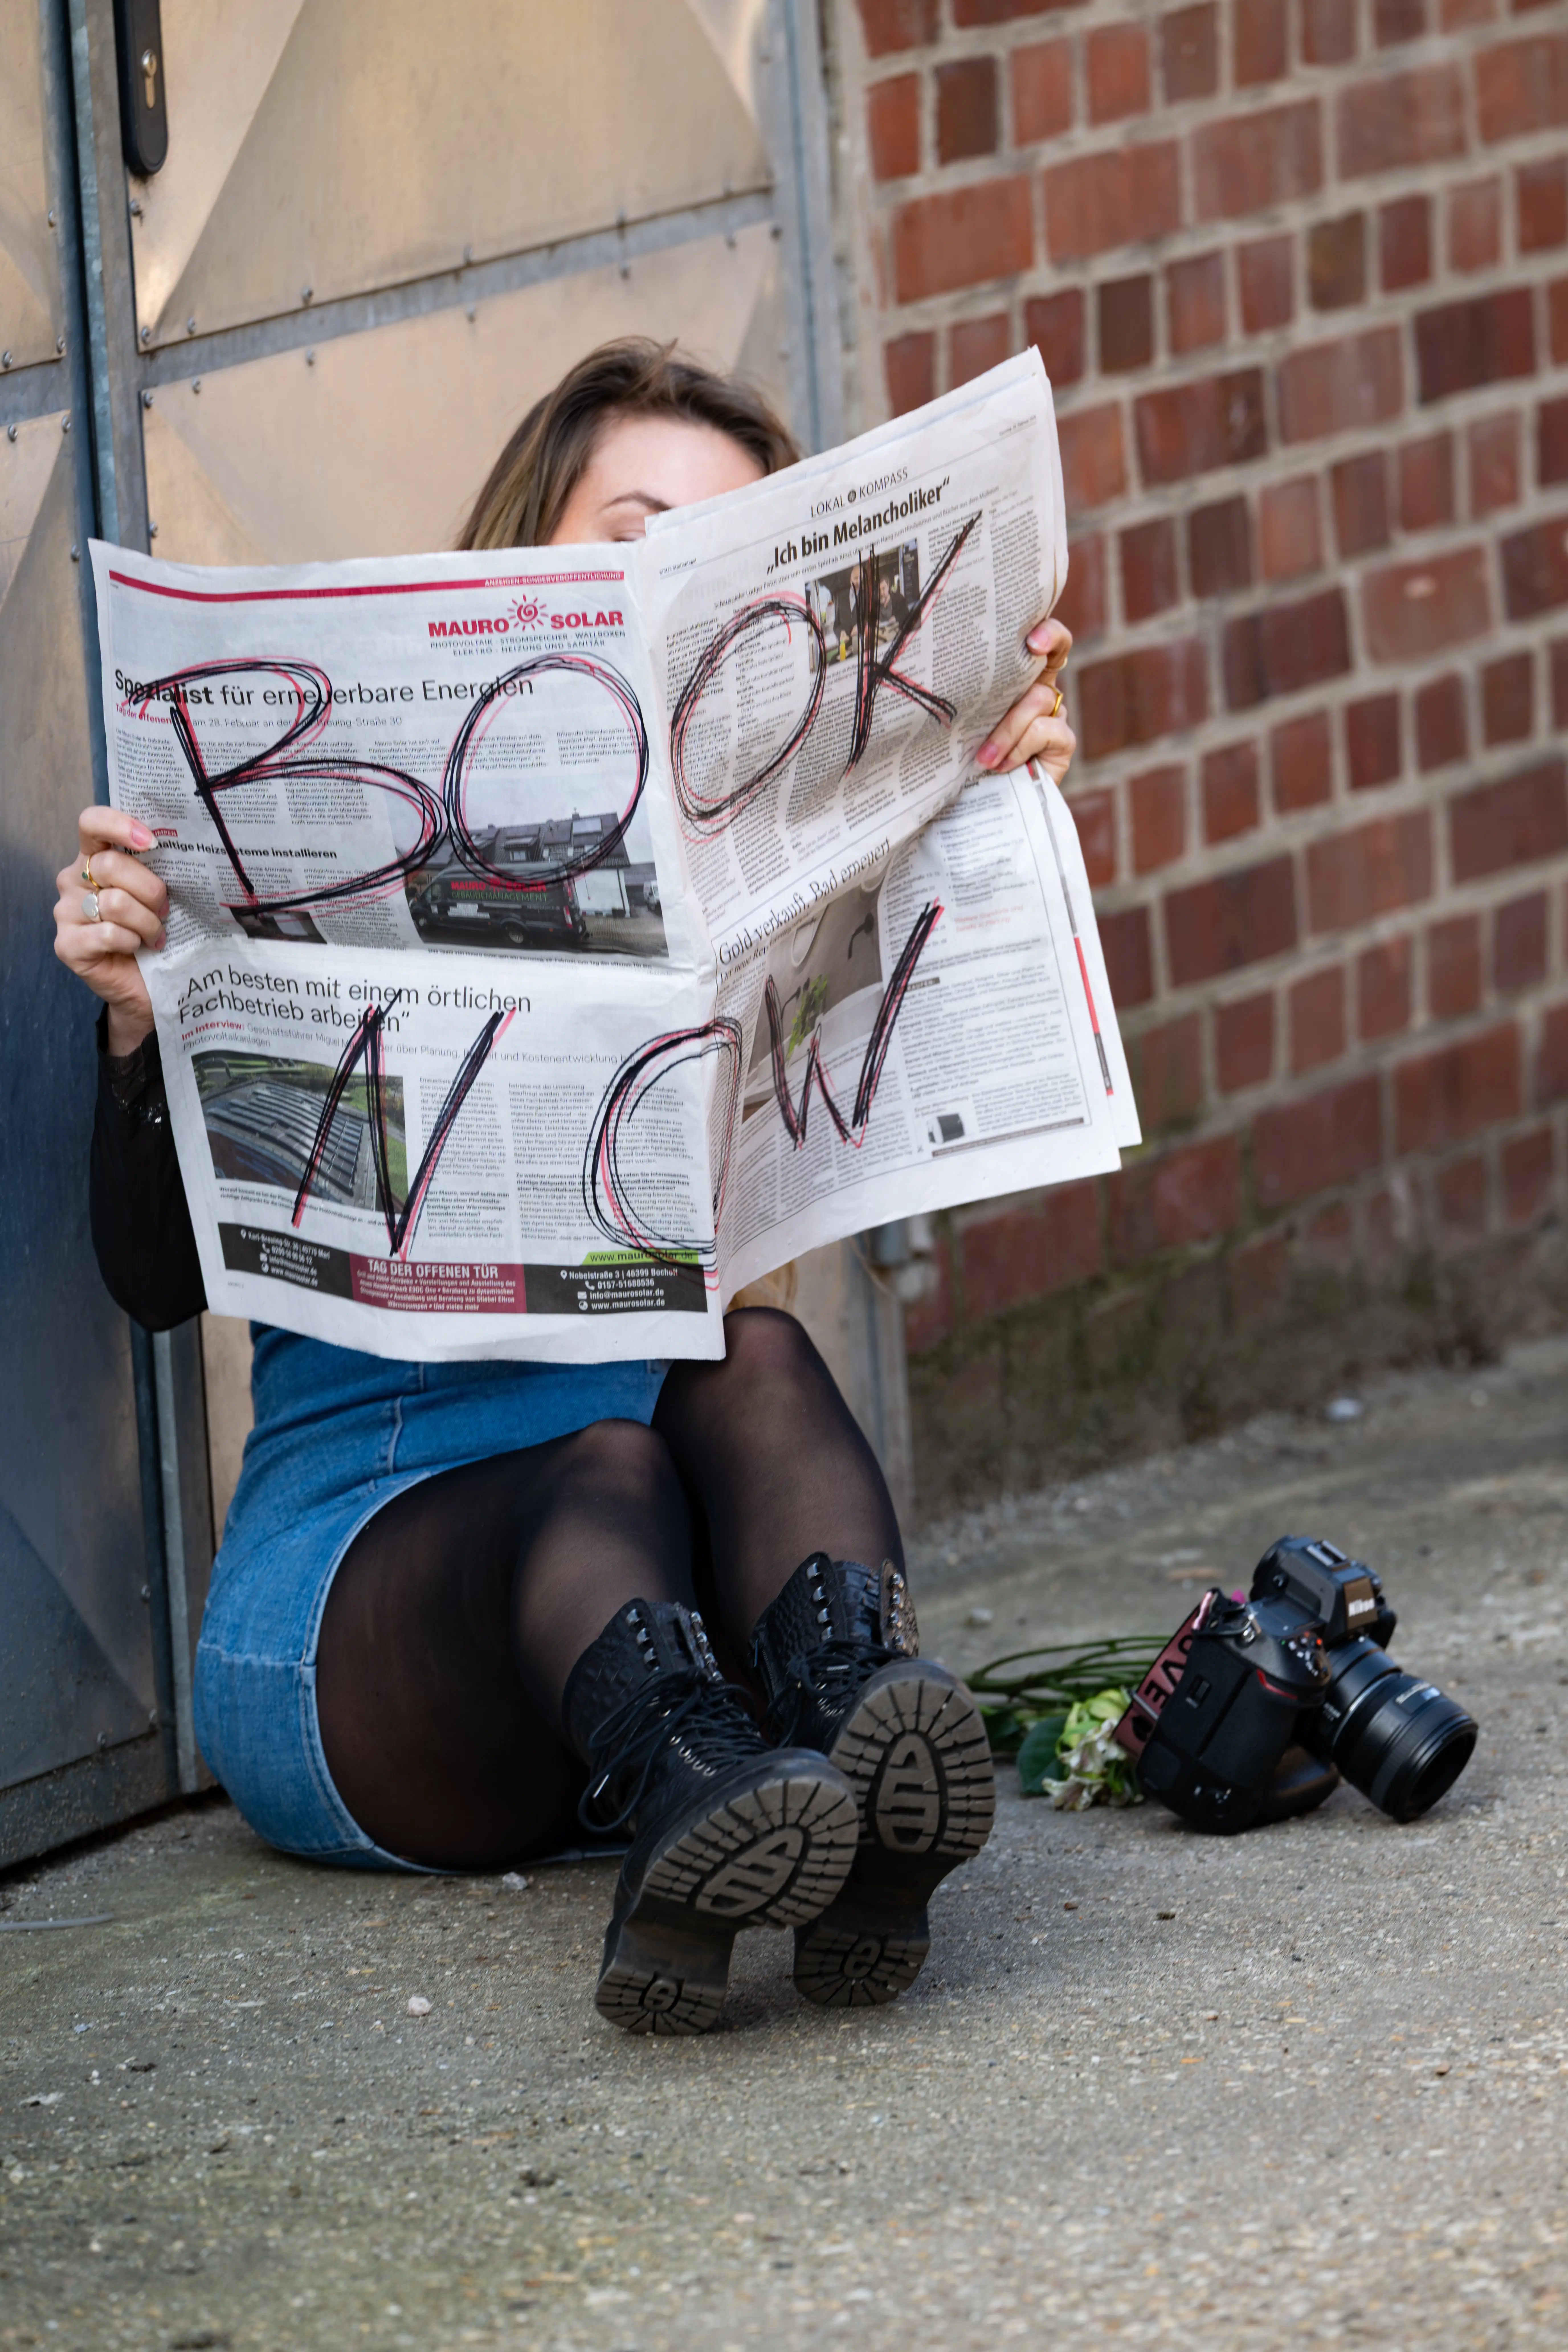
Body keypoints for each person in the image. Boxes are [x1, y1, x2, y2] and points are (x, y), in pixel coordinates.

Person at [53, 340, 1077, 2035]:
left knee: (748, 1365)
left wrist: (986, 811)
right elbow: (156, 1283)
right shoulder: (329, 843)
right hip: (364, 1643)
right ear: (530, 547)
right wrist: (142, 1032)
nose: (661, 587)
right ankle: (701, 1801)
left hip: (662, 1625)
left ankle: (858, 1745)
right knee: (596, 1457)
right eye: (632, 535)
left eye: (714, 562)